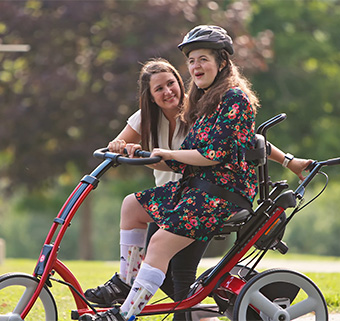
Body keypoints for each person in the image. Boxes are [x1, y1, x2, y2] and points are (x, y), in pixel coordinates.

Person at [81, 25, 312, 321]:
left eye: (203, 58)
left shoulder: (235, 99)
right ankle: (127, 284)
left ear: (222, 62)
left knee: (161, 244)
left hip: (223, 194)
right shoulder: (203, 102)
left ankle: (124, 315)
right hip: (196, 188)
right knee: (131, 205)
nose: (195, 66)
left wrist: (167, 154)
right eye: (191, 60)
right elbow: (185, 159)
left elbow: (214, 154)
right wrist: (138, 153)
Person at [84, 58, 211, 320]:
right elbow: (117, 143)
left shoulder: (198, 111)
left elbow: (240, 142)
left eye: (171, 84)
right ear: (150, 96)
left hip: (197, 198)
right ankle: (126, 282)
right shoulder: (146, 118)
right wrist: (121, 146)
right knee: (159, 269)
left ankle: (195, 312)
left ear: (180, 82)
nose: (167, 92)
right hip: (167, 201)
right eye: (159, 89)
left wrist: (288, 161)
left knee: (181, 275)